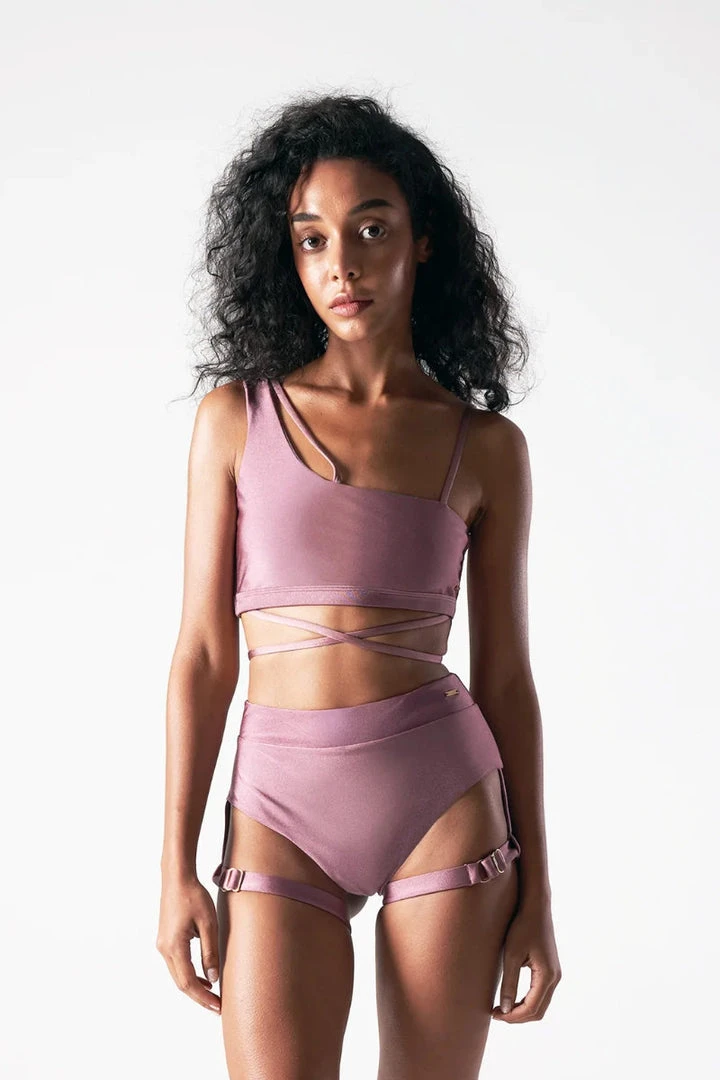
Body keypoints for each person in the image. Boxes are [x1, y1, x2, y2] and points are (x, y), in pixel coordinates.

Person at [157, 90, 561, 1078]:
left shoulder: (485, 447)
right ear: (287, 257)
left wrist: (540, 893)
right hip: (278, 808)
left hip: (444, 802)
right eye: (312, 239)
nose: (341, 265)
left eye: (371, 230)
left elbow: (507, 677)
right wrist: (174, 867)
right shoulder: (234, 420)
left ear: (422, 241)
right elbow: (204, 656)